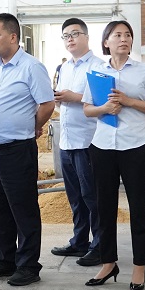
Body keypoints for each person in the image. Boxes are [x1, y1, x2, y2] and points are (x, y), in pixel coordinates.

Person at [82, 20, 145, 290]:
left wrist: (128, 102)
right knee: (104, 208)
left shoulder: (143, 71)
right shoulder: (96, 72)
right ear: (106, 42)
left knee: (138, 208)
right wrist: (105, 108)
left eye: (128, 35)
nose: (124, 39)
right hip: (103, 146)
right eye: (117, 35)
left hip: (135, 147)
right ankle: (108, 263)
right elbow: (87, 110)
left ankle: (139, 267)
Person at [0, 13, 55, 286]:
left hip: (17, 150)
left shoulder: (31, 67)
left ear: (13, 37)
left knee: (23, 210)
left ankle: (29, 266)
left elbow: (47, 104)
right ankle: (5, 260)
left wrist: (32, 126)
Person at [50, 18, 103, 267]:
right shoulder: (65, 68)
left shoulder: (98, 66)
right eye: (66, 36)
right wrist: (60, 99)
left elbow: (104, 102)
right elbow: (64, 100)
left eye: (75, 34)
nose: (70, 39)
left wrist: (75, 97)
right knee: (75, 197)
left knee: (92, 196)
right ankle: (79, 241)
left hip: (88, 141)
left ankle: (100, 246)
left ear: (87, 37)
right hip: (67, 141)